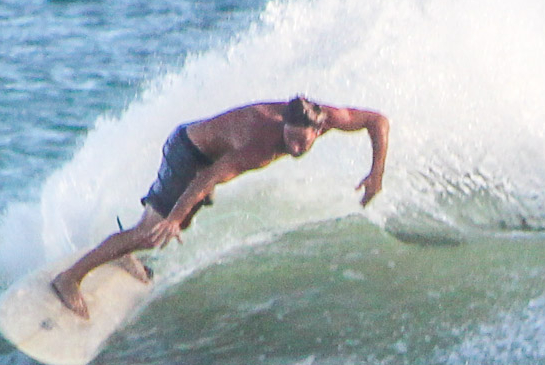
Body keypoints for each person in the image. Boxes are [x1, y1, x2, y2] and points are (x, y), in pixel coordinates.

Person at [51, 96, 390, 318]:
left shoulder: (330, 116)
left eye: (302, 141)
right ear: (282, 126)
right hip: (188, 152)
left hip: (208, 153)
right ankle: (70, 279)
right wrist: (174, 218)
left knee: (165, 228)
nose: (296, 148)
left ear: (320, 128)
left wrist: (376, 172)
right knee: (152, 233)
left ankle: (125, 253)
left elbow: (378, 121)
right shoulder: (259, 145)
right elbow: (207, 180)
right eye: (289, 139)